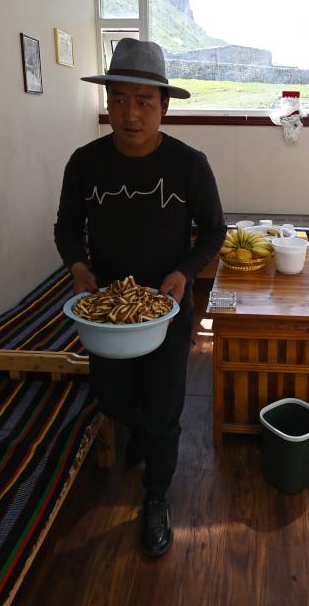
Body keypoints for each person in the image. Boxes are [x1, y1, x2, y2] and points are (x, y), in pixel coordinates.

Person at [54, 38, 226, 556]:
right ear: (108, 104)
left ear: (164, 106)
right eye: (120, 100)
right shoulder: (85, 163)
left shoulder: (188, 164)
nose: (131, 114)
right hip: (108, 312)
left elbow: (214, 230)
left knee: (165, 407)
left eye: (144, 101)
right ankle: (137, 431)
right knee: (113, 400)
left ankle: (156, 496)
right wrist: (79, 267)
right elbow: (67, 229)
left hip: (166, 310)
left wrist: (185, 272)